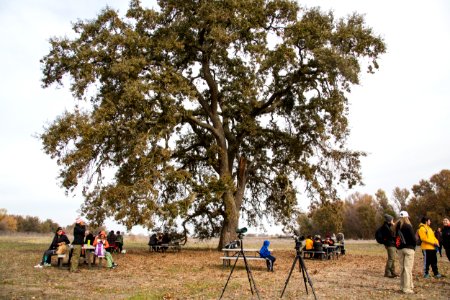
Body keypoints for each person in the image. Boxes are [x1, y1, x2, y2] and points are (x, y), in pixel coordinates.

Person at [395, 211, 416, 294]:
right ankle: (407, 288)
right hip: (409, 249)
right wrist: (414, 247)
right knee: (408, 269)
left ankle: (404, 286)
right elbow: (413, 239)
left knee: (403, 269)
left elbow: (395, 238)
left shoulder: (397, 227)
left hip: (400, 250)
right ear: (407, 217)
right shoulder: (408, 226)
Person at [381, 214, 398, 278]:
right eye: (392, 219)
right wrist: (394, 226)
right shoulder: (386, 227)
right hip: (390, 244)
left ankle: (392, 272)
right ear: (389, 220)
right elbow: (391, 235)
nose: (393, 221)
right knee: (391, 259)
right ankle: (387, 272)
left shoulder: (388, 226)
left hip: (391, 244)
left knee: (392, 258)